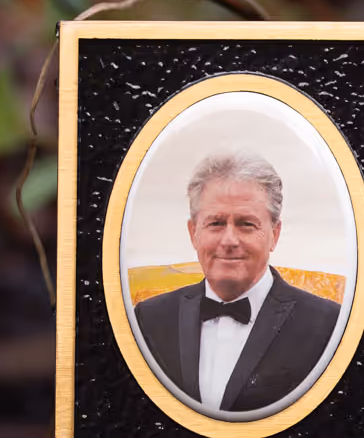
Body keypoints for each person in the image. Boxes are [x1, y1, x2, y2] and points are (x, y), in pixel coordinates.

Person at [132, 150, 342, 416]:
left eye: (246, 224)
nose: (229, 240)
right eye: (216, 223)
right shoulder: (148, 319)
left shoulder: (328, 326)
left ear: (274, 234)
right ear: (193, 233)